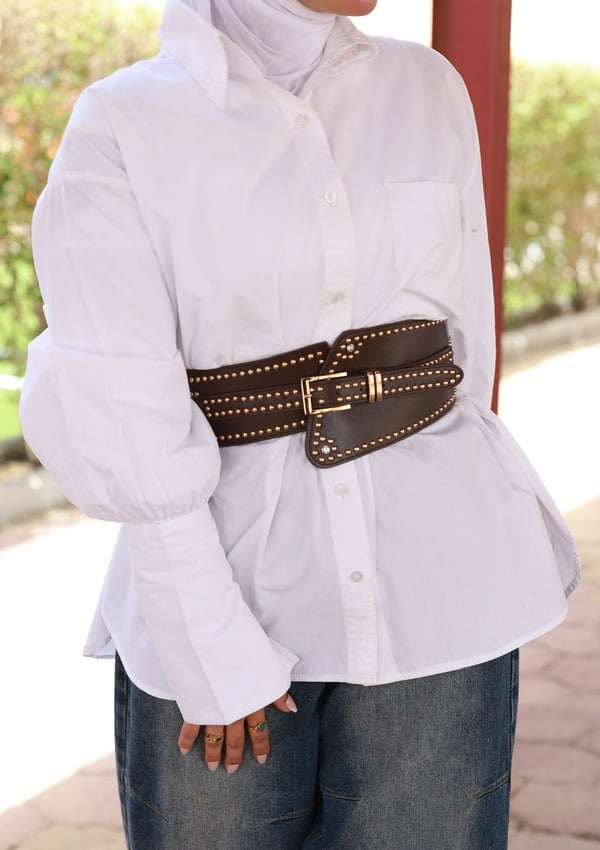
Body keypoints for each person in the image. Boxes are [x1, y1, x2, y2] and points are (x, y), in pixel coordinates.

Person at [20, 0, 580, 848]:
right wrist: (207, 646)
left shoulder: (427, 88)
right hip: (225, 606)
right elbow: (117, 400)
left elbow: (463, 351)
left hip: (442, 607)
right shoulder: (125, 124)